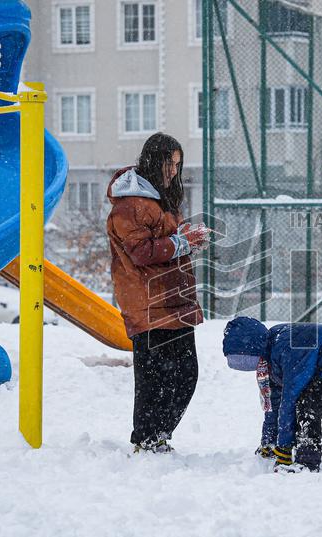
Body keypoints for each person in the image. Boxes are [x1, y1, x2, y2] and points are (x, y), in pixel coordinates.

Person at [106, 133, 209, 454]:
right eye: (170, 163)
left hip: (172, 299)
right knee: (154, 379)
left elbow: (163, 242)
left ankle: (159, 436)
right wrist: (183, 242)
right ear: (154, 160)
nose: (174, 171)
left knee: (184, 374)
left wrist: (186, 238)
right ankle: (147, 439)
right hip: (148, 302)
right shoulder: (132, 205)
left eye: (178, 164)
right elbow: (139, 252)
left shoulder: (157, 200)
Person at [221, 317, 322, 473]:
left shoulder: (287, 347)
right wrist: (269, 442)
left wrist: (284, 448)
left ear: (252, 346)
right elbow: (274, 403)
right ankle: (297, 450)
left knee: (307, 405)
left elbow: (290, 398)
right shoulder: (268, 357)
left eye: (247, 360)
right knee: (301, 403)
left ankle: (308, 461)